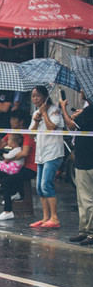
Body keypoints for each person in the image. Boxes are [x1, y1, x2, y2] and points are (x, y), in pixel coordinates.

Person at [61, 90, 93, 245]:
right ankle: (84, 230)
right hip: (82, 159)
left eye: (83, 90)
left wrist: (63, 109)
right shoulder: (87, 111)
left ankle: (90, 232)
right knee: (82, 198)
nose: (81, 92)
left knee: (87, 198)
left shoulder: (90, 110)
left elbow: (70, 125)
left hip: (88, 160)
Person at [29, 85, 64, 229]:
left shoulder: (54, 111)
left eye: (37, 95)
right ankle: (45, 218)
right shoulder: (36, 113)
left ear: (45, 97)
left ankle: (54, 218)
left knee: (46, 184)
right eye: (33, 96)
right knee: (39, 187)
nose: (35, 99)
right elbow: (31, 134)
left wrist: (44, 114)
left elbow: (52, 128)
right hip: (41, 153)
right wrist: (37, 120)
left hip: (53, 152)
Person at [0, 110, 36, 221]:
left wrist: (8, 159)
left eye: (13, 119)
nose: (11, 121)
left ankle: (8, 211)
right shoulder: (13, 132)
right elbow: (0, 145)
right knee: (0, 173)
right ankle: (15, 192)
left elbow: (24, 153)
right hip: (17, 166)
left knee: (7, 181)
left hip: (29, 167)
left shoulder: (26, 134)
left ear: (21, 121)